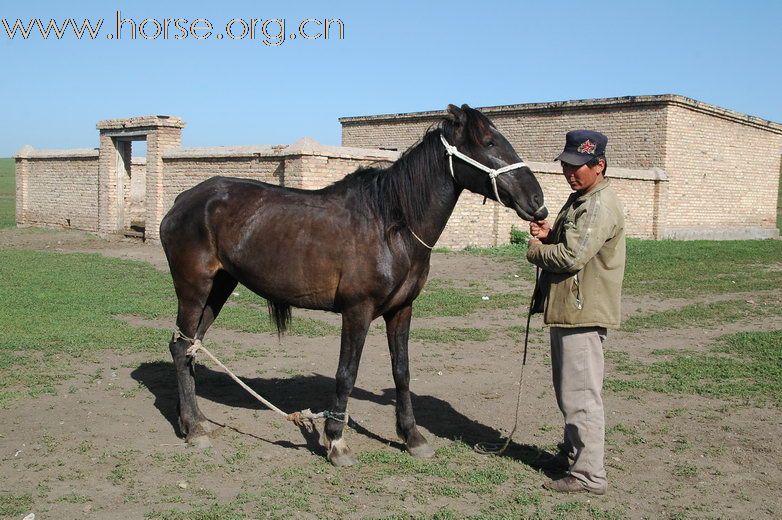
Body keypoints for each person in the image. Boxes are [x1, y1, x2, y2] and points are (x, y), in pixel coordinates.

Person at [526, 129, 626, 495]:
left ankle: (588, 475)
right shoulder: (581, 199)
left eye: (578, 166)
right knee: (570, 392)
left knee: (582, 396)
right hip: (570, 310)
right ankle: (574, 457)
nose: (571, 172)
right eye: (567, 165)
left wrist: (536, 250)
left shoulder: (598, 205)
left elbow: (571, 257)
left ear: (599, 165)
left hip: (583, 314)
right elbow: (569, 242)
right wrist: (550, 232)